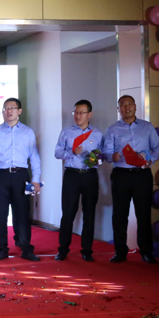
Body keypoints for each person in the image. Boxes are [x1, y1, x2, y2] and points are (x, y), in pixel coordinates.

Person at [0, 98, 41, 262]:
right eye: (6, 108)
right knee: (0, 213)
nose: (9, 111)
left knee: (22, 213)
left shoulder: (27, 132)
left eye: (12, 108)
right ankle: (1, 249)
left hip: (21, 175)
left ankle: (26, 248)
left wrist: (36, 179)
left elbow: (34, 156)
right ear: (3, 112)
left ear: (19, 111)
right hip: (0, 175)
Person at [103, 95, 159, 264]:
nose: (126, 107)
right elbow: (106, 152)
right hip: (121, 175)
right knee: (119, 214)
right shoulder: (112, 129)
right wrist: (111, 156)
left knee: (143, 213)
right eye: (123, 105)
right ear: (118, 109)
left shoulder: (147, 127)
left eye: (130, 104)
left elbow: (157, 147)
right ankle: (120, 251)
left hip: (142, 175)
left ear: (135, 107)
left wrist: (150, 159)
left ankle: (146, 251)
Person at [53, 99, 104, 262]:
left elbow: (102, 156)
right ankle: (63, 249)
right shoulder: (66, 132)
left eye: (82, 112)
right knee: (68, 213)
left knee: (89, 213)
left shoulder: (97, 134)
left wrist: (97, 159)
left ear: (89, 114)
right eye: (76, 112)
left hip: (90, 175)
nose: (78, 115)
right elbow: (57, 153)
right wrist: (72, 152)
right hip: (72, 175)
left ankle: (87, 250)